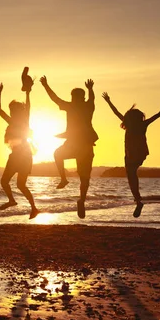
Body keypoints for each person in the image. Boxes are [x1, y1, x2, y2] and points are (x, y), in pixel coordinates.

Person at [102, 92, 160, 217]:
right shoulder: (142, 124)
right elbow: (158, 114)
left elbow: (116, 112)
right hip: (139, 154)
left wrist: (108, 101)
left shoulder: (129, 124)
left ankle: (138, 200)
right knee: (132, 175)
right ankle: (138, 200)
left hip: (131, 154)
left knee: (131, 176)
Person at [41, 76, 98, 218]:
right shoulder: (88, 106)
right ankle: (81, 199)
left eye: (73, 96)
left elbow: (55, 99)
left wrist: (45, 85)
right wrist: (91, 89)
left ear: (75, 97)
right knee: (85, 177)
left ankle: (64, 178)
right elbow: (92, 99)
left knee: (57, 154)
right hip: (85, 146)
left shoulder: (72, 106)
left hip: (76, 145)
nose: (72, 99)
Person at [0, 81, 39, 219]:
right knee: (6, 182)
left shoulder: (24, 120)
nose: (11, 112)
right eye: (11, 110)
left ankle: (33, 208)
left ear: (19, 111)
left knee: (20, 184)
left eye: (14, 110)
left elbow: (29, 106)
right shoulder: (11, 120)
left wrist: (28, 92)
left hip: (23, 155)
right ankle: (14, 201)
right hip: (18, 155)